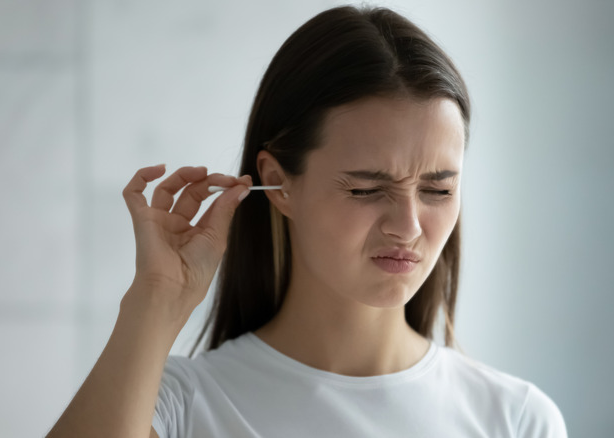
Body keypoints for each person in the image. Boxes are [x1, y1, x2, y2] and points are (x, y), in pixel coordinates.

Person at [47, 5, 567, 438]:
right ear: (279, 180)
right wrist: (157, 296)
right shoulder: (179, 408)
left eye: (438, 189)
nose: (408, 226)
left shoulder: (516, 419)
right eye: (366, 188)